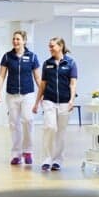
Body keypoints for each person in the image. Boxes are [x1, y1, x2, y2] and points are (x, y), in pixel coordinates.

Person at [0, 30, 41, 166]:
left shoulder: (32, 57)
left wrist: (43, 93)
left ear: (24, 41)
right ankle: (16, 154)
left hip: (28, 94)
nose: (15, 41)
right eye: (14, 39)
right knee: (14, 124)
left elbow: (38, 77)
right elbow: (1, 75)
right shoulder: (7, 56)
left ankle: (28, 151)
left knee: (28, 120)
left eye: (18, 39)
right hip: (12, 95)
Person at [32, 37, 77, 171]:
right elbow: (43, 84)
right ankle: (47, 159)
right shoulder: (47, 64)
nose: (50, 49)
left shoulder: (71, 63)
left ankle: (57, 160)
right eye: (49, 46)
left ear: (60, 46)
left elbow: (73, 84)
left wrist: (71, 100)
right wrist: (36, 103)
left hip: (64, 102)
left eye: (52, 46)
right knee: (50, 127)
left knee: (61, 132)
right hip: (49, 100)